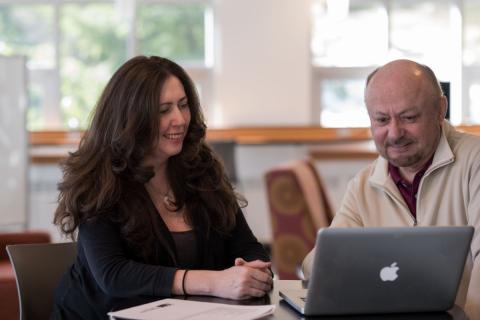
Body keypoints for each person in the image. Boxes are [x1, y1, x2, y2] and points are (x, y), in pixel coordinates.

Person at [51, 56, 272, 319]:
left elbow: (246, 245)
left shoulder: (202, 169)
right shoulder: (99, 180)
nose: (179, 119)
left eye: (183, 105)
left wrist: (251, 270)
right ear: (131, 118)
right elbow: (113, 275)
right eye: (163, 110)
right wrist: (213, 281)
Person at [302, 59, 480, 313]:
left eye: (409, 117)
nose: (395, 133)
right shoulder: (364, 184)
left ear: (440, 110)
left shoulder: (475, 162)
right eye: (382, 120)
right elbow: (318, 264)